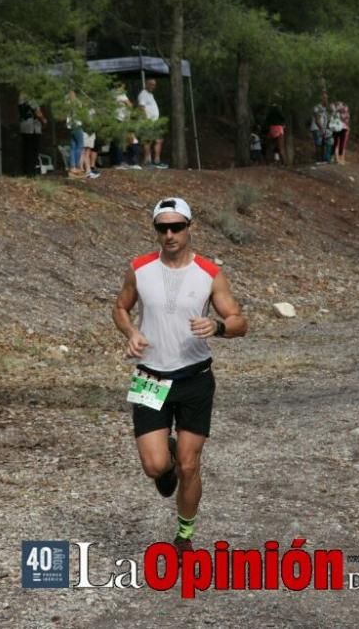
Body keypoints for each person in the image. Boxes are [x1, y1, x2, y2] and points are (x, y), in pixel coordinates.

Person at [113, 197, 248, 554]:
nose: (169, 234)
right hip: (149, 376)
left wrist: (217, 326)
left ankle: (184, 535)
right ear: (156, 230)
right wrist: (132, 333)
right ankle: (165, 462)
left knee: (190, 465)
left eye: (177, 227)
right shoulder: (139, 268)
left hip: (194, 377)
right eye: (162, 228)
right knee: (155, 466)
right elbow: (120, 307)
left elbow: (239, 321)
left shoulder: (208, 273)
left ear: (190, 227)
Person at [137, 78, 167, 168]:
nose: (152, 86)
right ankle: (147, 161)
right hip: (148, 122)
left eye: (154, 85)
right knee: (148, 141)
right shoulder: (143, 94)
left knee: (159, 140)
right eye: (150, 84)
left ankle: (156, 161)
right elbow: (141, 108)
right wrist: (146, 120)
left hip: (154, 122)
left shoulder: (150, 94)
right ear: (146, 84)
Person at [18, 92, 47, 177]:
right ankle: (29, 172)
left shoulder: (23, 96)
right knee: (31, 151)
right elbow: (37, 112)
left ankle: (29, 171)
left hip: (31, 128)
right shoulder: (27, 96)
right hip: (30, 128)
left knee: (30, 151)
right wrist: (44, 120)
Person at [310, 91, 329, 164]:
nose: (326, 100)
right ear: (321, 99)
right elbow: (317, 119)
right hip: (317, 128)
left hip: (322, 129)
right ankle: (318, 160)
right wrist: (321, 129)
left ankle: (322, 159)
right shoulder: (317, 107)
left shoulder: (324, 108)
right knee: (318, 144)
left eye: (327, 98)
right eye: (325, 98)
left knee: (322, 144)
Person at [330, 101, 350, 165]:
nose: (340, 105)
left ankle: (339, 159)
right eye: (338, 104)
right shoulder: (336, 111)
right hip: (337, 128)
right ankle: (335, 158)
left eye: (341, 104)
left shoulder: (343, 111)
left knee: (340, 143)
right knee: (336, 143)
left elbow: (346, 119)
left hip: (342, 128)